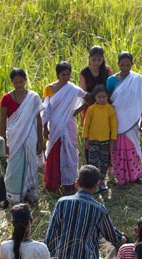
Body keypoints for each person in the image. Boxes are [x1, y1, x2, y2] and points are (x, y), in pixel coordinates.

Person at [45, 165, 126, 259]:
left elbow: (50, 238)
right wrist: (123, 239)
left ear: (77, 182)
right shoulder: (98, 209)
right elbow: (112, 237)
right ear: (96, 186)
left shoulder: (62, 203)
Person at [42, 61, 91, 193]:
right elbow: (45, 109)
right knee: (54, 152)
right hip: (55, 124)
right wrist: (45, 127)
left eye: (68, 74)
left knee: (69, 152)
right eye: (63, 74)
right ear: (57, 75)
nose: (66, 77)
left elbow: (89, 99)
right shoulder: (49, 88)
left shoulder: (73, 89)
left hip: (69, 124)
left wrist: (74, 112)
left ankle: (69, 183)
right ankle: (53, 183)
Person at [0, 68, 44, 204]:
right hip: (14, 137)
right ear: (12, 82)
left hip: (30, 136)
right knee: (14, 165)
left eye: (21, 81)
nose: (18, 85)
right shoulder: (6, 98)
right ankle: (12, 196)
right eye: (15, 82)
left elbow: (38, 119)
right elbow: (3, 121)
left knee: (30, 162)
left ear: (25, 80)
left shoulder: (33, 97)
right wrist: (3, 142)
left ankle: (29, 193)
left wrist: (40, 140)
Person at [106, 51, 142, 185]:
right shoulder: (112, 80)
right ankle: (121, 177)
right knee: (118, 149)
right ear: (118, 64)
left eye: (127, 65)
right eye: (122, 65)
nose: (124, 68)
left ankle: (136, 176)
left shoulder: (137, 79)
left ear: (132, 64)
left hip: (133, 121)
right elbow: (108, 100)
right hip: (117, 121)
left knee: (134, 148)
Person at [79, 45, 114, 163]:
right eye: (94, 59)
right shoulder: (84, 73)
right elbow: (84, 94)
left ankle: (108, 166)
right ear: (89, 58)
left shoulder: (108, 71)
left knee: (107, 136)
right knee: (89, 136)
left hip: (106, 108)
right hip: (90, 108)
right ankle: (89, 166)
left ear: (103, 59)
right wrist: (83, 115)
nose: (96, 62)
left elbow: (112, 90)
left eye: (99, 60)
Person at [82, 84, 117, 193]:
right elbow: (86, 125)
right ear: (95, 97)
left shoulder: (110, 109)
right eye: (99, 97)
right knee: (93, 162)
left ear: (107, 97)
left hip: (105, 141)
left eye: (104, 97)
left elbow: (113, 126)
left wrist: (112, 141)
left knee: (104, 162)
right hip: (93, 141)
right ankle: (94, 183)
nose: (102, 99)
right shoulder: (91, 109)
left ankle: (102, 181)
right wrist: (86, 140)